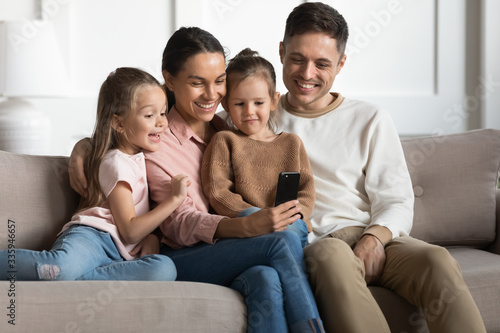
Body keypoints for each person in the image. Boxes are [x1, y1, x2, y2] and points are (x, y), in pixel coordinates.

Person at [69, 28, 324, 333]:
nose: (212, 95)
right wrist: (85, 145)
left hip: (230, 250)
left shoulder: (225, 129)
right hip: (183, 254)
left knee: (265, 278)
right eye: (196, 83)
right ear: (170, 80)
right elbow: (177, 220)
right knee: (280, 242)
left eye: (219, 82)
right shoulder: (154, 140)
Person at [275, 2, 487, 333]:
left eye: (322, 64)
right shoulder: (255, 116)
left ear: (341, 64)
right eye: (298, 59)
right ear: (281, 52)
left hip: (369, 235)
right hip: (318, 244)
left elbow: (396, 198)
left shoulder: (370, 119)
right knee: (332, 257)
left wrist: (375, 238)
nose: (307, 74)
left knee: (437, 261)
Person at [0, 67, 186, 281]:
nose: (162, 122)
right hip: (93, 238)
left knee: (163, 269)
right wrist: (174, 199)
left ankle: (78, 280)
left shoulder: (140, 155)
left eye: (163, 113)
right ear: (118, 123)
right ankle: (68, 276)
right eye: (149, 115)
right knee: (56, 268)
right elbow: (130, 231)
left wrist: (152, 238)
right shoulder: (116, 162)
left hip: (120, 254)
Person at [201, 48, 315, 248]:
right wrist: (259, 218)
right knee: (277, 228)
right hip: (247, 225)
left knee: (294, 228)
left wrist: (297, 214)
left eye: (258, 102)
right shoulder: (224, 140)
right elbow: (218, 193)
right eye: (239, 104)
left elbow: (305, 190)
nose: (249, 112)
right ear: (226, 105)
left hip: (287, 222)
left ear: (273, 101)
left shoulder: (292, 143)